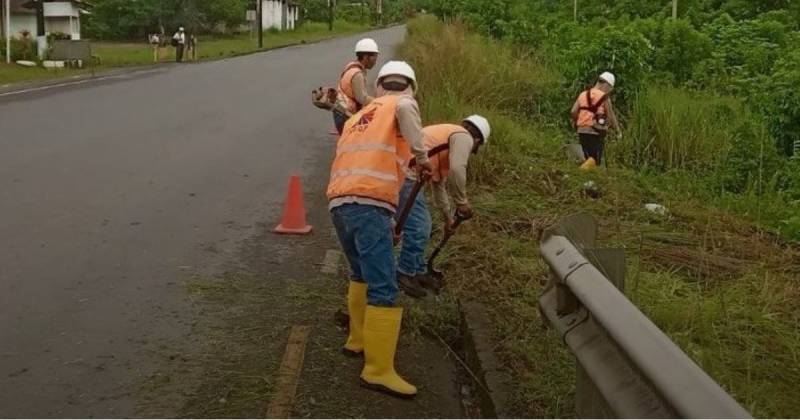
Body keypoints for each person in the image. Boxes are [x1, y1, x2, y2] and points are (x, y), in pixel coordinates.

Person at [327, 61, 432, 399]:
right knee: (384, 286)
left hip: (340, 204)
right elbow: (405, 109)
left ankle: (357, 340)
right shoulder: (401, 104)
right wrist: (423, 157)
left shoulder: (361, 115)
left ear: (382, 83)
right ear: (410, 86)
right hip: (369, 203)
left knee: (359, 273)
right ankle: (378, 370)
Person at [396, 116, 491, 297]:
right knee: (419, 227)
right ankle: (404, 273)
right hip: (404, 174)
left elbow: (439, 187)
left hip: (403, 171)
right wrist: (462, 202)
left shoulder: (446, 137)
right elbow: (457, 169)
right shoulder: (463, 136)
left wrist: (448, 219)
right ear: (477, 140)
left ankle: (418, 270)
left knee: (424, 225)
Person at [570, 72, 620, 165]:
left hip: (582, 131)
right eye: (610, 89)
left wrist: (579, 121)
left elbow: (573, 111)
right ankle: (584, 173)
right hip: (595, 132)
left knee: (588, 158)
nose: (609, 92)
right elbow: (610, 116)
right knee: (595, 161)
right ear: (606, 85)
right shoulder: (604, 97)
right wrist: (617, 131)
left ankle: (586, 175)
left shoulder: (583, 94)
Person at [333, 38, 380, 134]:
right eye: (374, 57)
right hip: (345, 116)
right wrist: (380, 102)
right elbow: (362, 98)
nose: (375, 61)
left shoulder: (351, 66)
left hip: (341, 112)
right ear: (366, 57)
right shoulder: (357, 73)